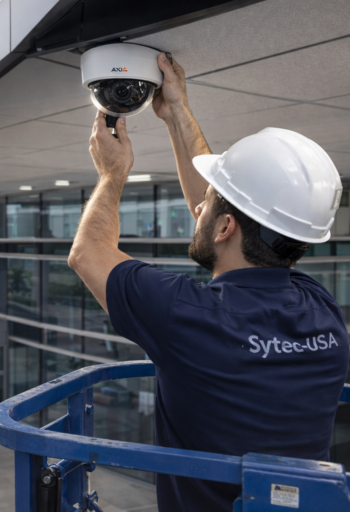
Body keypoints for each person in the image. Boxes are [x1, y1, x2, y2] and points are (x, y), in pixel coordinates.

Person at [68, 53, 350, 512]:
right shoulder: (322, 311)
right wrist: (177, 110)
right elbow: (229, 213)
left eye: (208, 206)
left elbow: (88, 255)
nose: (196, 208)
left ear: (224, 230)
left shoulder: (188, 316)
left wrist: (112, 173)